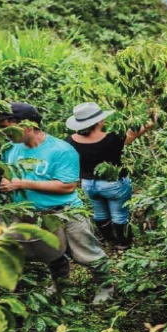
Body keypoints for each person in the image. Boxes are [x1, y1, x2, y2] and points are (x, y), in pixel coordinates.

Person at [0, 102, 114, 303]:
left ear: (28, 126)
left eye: (8, 128)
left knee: (86, 253)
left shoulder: (61, 150)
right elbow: (7, 175)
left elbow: (67, 186)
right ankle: (60, 284)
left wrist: (22, 183)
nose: (5, 133)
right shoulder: (10, 149)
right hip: (34, 214)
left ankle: (106, 285)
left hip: (66, 212)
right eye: (2, 128)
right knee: (52, 253)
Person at [65, 102, 154, 252]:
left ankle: (109, 241)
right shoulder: (112, 138)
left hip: (88, 184)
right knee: (119, 216)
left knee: (100, 214)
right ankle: (123, 245)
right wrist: (152, 121)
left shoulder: (69, 141)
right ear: (98, 122)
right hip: (113, 184)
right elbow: (133, 134)